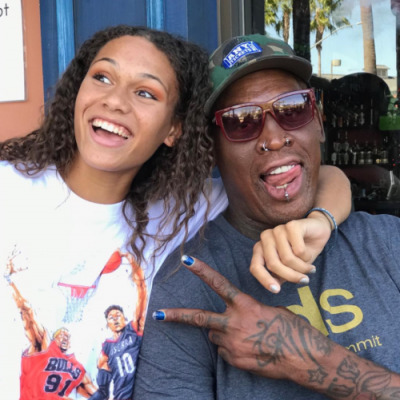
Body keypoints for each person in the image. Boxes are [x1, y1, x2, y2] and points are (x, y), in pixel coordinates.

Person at [0, 25, 349, 399]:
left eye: (145, 93)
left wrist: (320, 222)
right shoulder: (10, 189)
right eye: (102, 77)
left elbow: (327, 177)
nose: (115, 101)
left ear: (173, 129)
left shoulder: (180, 210)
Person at [133, 34, 400, 400]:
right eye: (241, 121)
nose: (274, 139)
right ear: (211, 150)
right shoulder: (188, 285)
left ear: (318, 122)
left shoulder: (388, 243)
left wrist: (316, 362)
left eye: (293, 109)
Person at [5, 252, 97, 399]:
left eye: (67, 336)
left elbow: (96, 394)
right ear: (54, 338)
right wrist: (9, 280)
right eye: (62, 335)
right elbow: (27, 312)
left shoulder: (77, 368)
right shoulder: (42, 346)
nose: (65, 337)